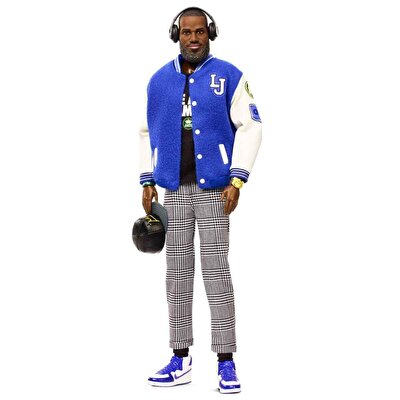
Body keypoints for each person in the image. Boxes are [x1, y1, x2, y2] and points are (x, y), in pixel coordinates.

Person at [138, 7, 262, 394]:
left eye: (200, 32)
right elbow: (146, 131)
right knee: (176, 275)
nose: (193, 39)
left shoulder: (228, 76)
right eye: (187, 32)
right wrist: (147, 179)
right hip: (173, 190)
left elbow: (251, 126)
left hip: (214, 191)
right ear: (176, 34)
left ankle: (226, 361)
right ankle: (180, 358)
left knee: (216, 271)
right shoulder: (159, 81)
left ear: (210, 33)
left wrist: (237, 179)